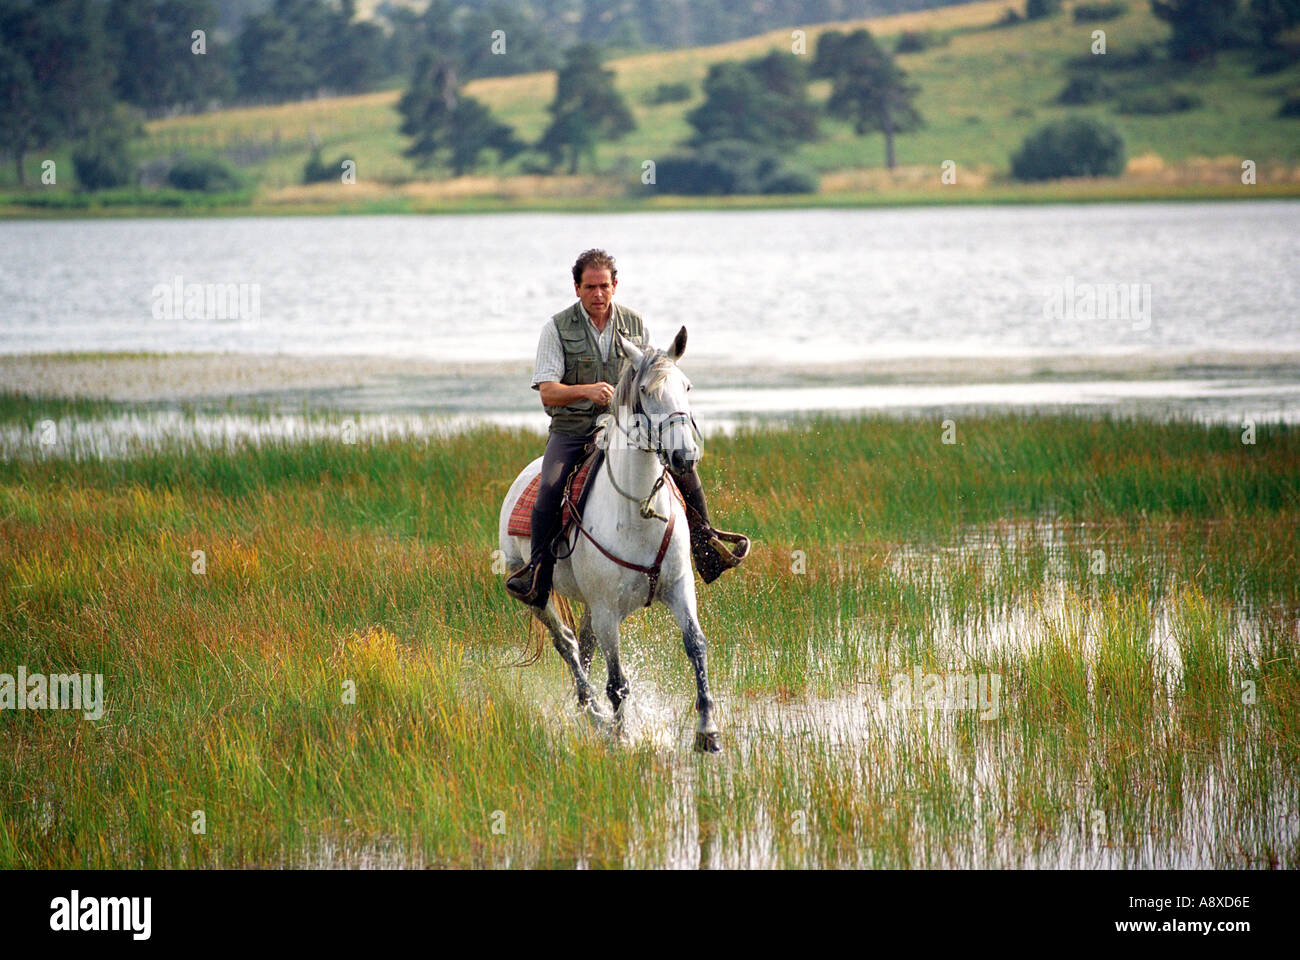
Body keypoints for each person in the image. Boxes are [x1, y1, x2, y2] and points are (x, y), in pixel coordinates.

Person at [506, 248, 749, 608]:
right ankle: (539, 574)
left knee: (685, 468)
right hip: (572, 431)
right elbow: (548, 392)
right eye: (590, 287)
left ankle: (705, 546)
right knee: (550, 487)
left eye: (604, 286)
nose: (598, 294)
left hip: (628, 429)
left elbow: (653, 378)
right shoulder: (556, 329)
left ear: (615, 285)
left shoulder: (635, 325)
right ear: (576, 288)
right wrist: (587, 391)